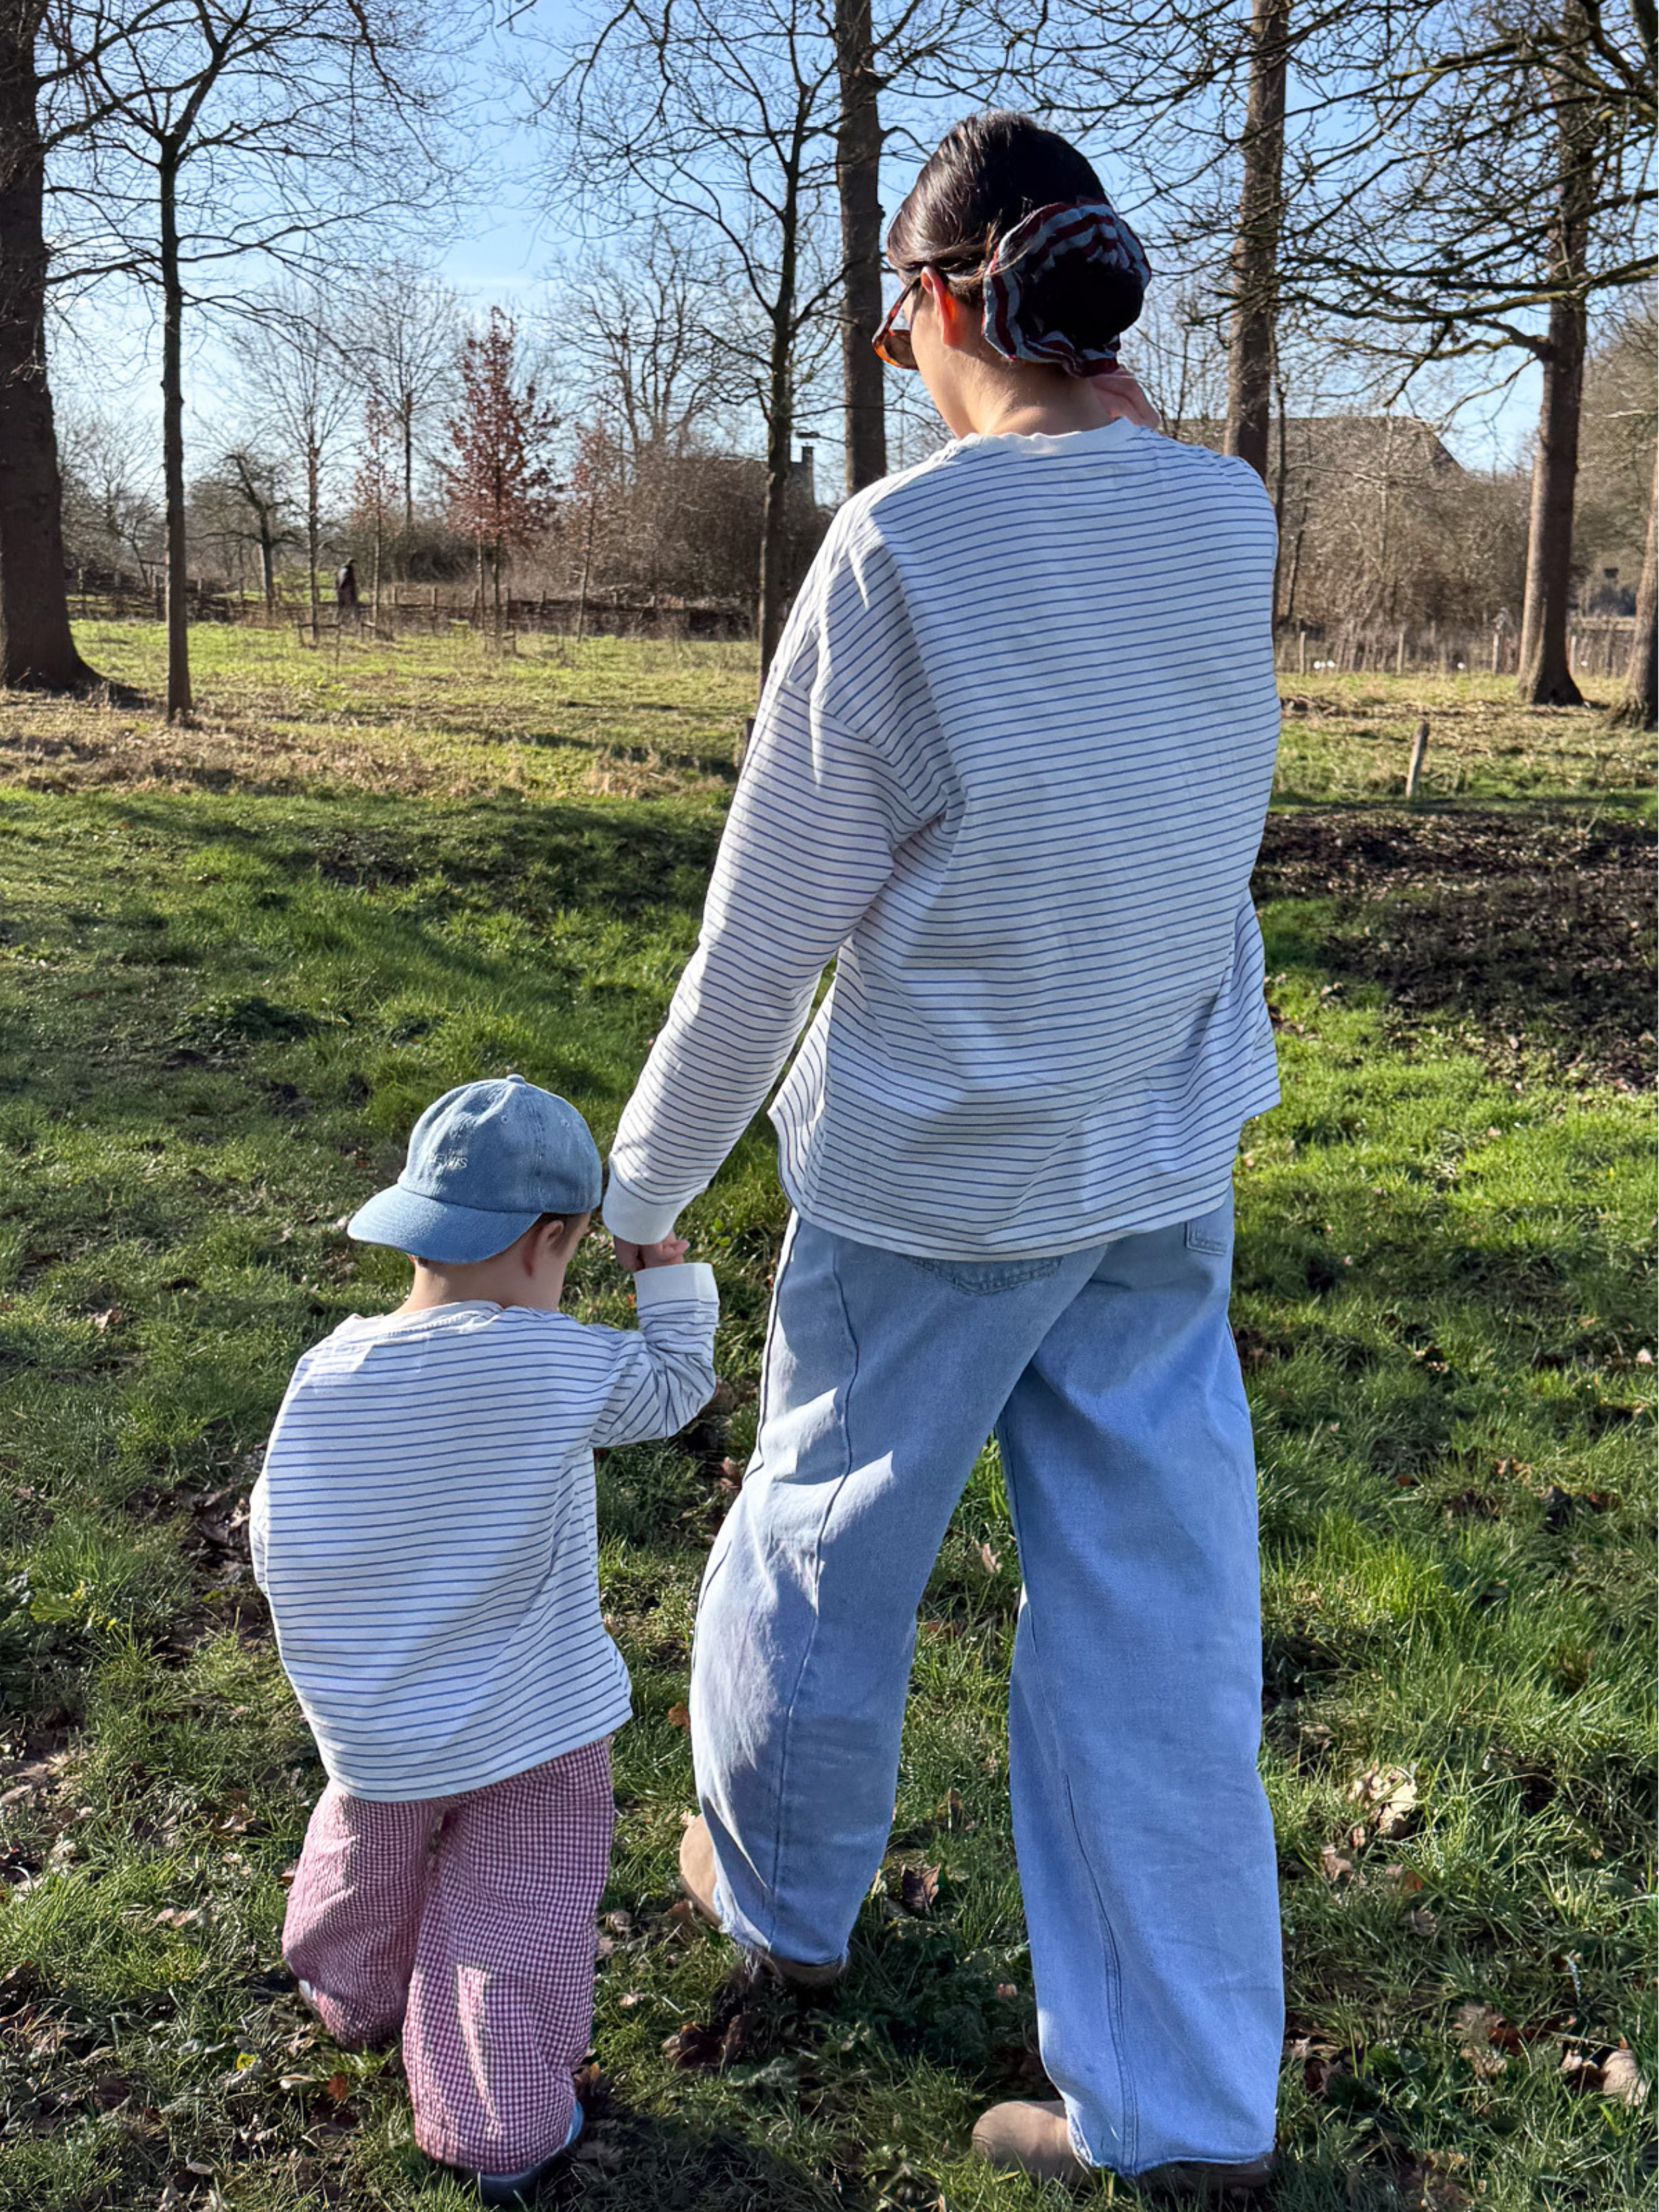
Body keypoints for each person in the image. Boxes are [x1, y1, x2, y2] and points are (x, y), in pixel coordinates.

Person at [601, 111, 1284, 2194]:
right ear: (1091, 305)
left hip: (934, 1179)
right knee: (1157, 1615)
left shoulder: (902, 547)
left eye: (898, 328)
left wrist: (636, 1198)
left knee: (824, 1542)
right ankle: (1176, 2107)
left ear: (928, 308)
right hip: (1157, 1156)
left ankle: (779, 1916)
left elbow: (758, 940)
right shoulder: (1229, 514)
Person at [251, 1074, 717, 2205]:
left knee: (369, 1855)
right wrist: (668, 1274)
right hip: (536, 1725)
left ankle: (349, 1997)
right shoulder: (559, 1361)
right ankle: (499, 2124)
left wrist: (344, 1673)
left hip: (377, 1722)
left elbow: (275, 1526)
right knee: (514, 1910)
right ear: (549, 1240)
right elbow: (676, 1387)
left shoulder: (333, 1368)